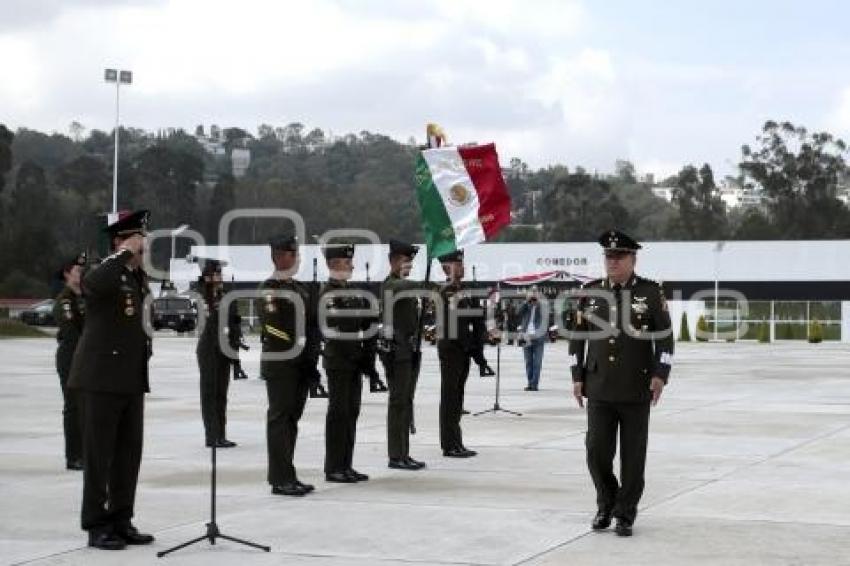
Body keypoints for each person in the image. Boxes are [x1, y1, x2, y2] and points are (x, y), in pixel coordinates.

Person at [569, 229, 674, 537]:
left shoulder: (651, 292)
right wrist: (577, 377)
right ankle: (607, 502)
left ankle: (625, 513)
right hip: (598, 385)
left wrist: (660, 375)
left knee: (633, 456)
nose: (612, 262)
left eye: (619, 257)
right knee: (596, 451)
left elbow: (665, 339)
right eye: (608, 256)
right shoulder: (589, 292)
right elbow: (577, 338)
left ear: (632, 259)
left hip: (636, 386)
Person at [67, 210, 155, 550]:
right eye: (137, 240)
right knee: (99, 456)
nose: (143, 247)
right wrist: (122, 253)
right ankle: (96, 524)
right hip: (100, 379)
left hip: (130, 379)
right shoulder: (104, 270)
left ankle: (121, 519)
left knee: (128, 455)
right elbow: (91, 286)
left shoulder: (135, 276)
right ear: (119, 241)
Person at [259, 235, 321, 497]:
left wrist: (311, 352)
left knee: (292, 420)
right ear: (277, 257)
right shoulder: (270, 289)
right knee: (280, 420)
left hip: (300, 364)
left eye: (297, 254)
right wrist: (300, 349)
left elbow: (311, 323)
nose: (297, 259)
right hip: (281, 363)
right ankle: (279, 478)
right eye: (291, 254)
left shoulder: (299, 289)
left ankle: (288, 474)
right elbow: (273, 328)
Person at [320, 243, 374, 483]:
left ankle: (346, 464)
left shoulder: (351, 293)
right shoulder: (328, 294)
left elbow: (361, 324)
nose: (352, 266)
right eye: (347, 262)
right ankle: (334, 467)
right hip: (339, 361)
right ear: (333, 265)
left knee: (352, 413)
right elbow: (335, 330)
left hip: (354, 360)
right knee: (338, 414)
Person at [379, 239, 430, 470]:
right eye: (405, 261)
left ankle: (404, 453)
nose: (409, 265)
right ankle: (396, 455)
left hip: (408, 350)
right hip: (396, 352)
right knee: (398, 402)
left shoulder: (405, 287)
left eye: (410, 262)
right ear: (393, 261)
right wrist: (428, 286)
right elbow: (407, 286)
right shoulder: (391, 285)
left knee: (406, 401)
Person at [436, 249, 487, 458]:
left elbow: (477, 319)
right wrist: (471, 346)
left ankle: (457, 441)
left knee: (458, 397)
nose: (462, 267)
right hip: (451, 350)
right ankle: (449, 444)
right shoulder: (445, 293)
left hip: (464, 350)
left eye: (462, 264)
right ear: (446, 268)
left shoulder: (465, 291)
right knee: (450, 397)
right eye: (457, 264)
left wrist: (478, 351)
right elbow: (454, 324)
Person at [195, 257, 238, 449]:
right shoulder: (203, 294)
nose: (219, 277)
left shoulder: (225, 294)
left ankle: (221, 434)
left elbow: (233, 320)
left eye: (219, 273)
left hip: (224, 349)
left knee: (221, 394)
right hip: (209, 348)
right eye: (215, 274)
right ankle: (212, 436)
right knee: (209, 393)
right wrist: (206, 284)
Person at [53, 252, 87, 471]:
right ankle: (73, 456)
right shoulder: (65, 300)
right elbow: (72, 333)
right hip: (71, 357)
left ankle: (84, 452)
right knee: (73, 406)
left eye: (82, 271)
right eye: (77, 271)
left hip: (84, 357)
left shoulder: (83, 297)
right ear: (67, 274)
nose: (81, 274)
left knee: (84, 407)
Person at [517, 288, 546, 391]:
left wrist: (539, 302)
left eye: (535, 294)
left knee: (537, 362)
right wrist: (526, 302)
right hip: (526, 336)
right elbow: (518, 313)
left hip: (538, 337)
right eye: (531, 294)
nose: (533, 296)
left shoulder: (542, 305)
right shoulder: (526, 305)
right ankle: (530, 383)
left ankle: (534, 384)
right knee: (528, 362)